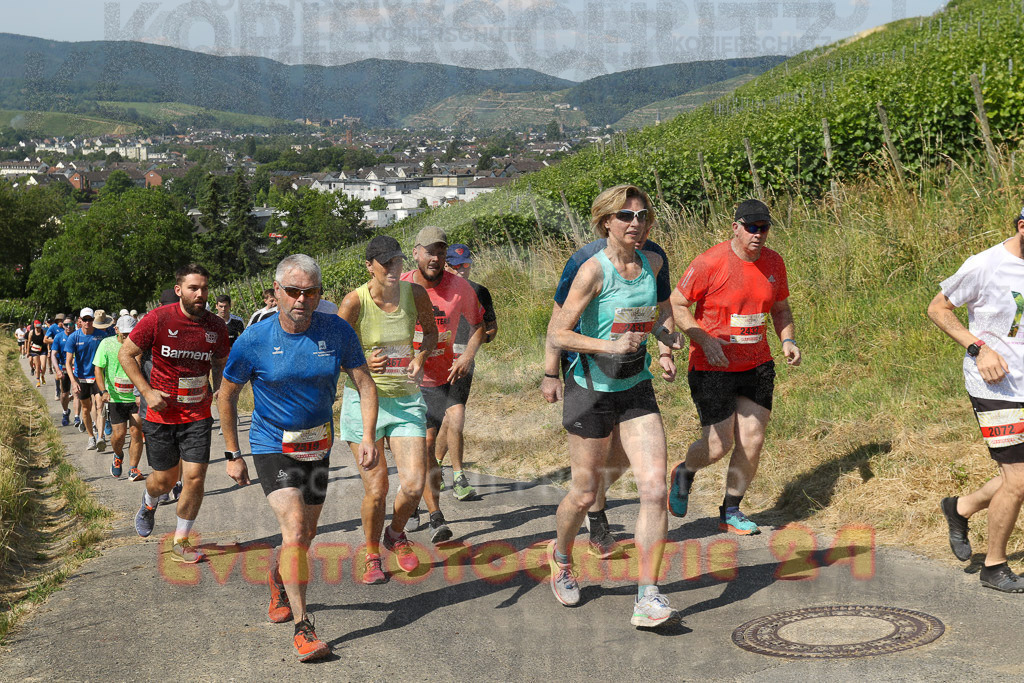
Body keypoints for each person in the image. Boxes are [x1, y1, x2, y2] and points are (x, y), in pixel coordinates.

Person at [219, 254, 379, 661]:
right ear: (275, 293)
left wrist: (369, 437)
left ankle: (276, 578)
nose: (301, 299)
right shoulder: (253, 340)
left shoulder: (337, 331)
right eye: (292, 291)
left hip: (316, 446)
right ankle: (304, 627)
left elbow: (365, 383)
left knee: (305, 537)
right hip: (272, 443)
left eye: (310, 292)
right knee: (292, 529)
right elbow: (227, 395)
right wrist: (233, 452)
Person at [548, 184, 683, 627]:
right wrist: (607, 343)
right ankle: (561, 555)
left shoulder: (654, 262)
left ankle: (648, 595)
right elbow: (559, 334)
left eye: (643, 215)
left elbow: (661, 312)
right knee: (586, 493)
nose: (636, 223)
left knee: (655, 489)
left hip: (635, 387)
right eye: (626, 216)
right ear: (606, 221)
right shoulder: (593, 271)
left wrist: (666, 341)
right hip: (590, 390)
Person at [668, 199, 801, 535]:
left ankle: (731, 510)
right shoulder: (710, 262)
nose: (758, 234)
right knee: (717, 445)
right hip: (712, 364)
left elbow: (781, 309)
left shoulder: (774, 263)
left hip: (756, 364)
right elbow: (678, 303)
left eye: (764, 228)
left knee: (752, 441)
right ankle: (684, 471)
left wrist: (788, 341)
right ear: (736, 227)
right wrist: (704, 338)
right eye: (751, 227)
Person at [931, 207, 1024, 592]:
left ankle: (961, 507)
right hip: (996, 387)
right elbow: (938, 308)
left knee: (1016, 477)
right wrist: (978, 349)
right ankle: (993, 565)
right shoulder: (985, 265)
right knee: (1018, 481)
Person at [339, 236, 438, 583]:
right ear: (369, 266)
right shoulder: (354, 302)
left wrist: (421, 357)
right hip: (364, 402)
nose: (393, 269)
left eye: (397, 261)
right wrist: (362, 361)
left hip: (406, 399)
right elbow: (333, 351)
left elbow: (431, 334)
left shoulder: (416, 294)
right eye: (385, 263)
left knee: (413, 484)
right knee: (378, 488)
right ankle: (370, 554)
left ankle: (395, 534)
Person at [119, 264, 230, 564]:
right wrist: (147, 392)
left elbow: (221, 361)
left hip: (197, 413)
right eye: (194, 288)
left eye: (204, 288)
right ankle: (149, 501)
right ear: (179, 290)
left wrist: (219, 388)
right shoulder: (159, 318)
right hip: (162, 415)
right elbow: (125, 354)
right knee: (165, 480)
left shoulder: (216, 326)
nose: (201, 294)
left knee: (194, 477)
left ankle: (182, 540)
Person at [401, 226, 486, 544]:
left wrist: (467, 357)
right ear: (416, 253)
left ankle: (415, 502)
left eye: (440, 251)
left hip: (444, 376)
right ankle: (435, 515)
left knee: (426, 450)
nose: (435, 257)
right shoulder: (400, 286)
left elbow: (478, 326)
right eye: (429, 251)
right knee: (422, 448)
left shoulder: (460, 287)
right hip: (409, 381)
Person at [433, 244, 498, 501]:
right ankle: (435, 467)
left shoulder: (480, 292)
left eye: (466, 266)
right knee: (441, 421)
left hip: (464, 363)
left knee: (455, 416)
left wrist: (476, 344)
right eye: (456, 266)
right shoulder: (433, 291)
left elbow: (491, 328)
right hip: (435, 364)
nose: (462, 271)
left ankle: (457, 476)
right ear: (446, 266)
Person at [94, 314, 146, 481]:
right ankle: (118, 456)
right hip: (115, 398)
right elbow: (98, 369)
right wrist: (103, 391)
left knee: (136, 431)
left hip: (135, 397)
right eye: (124, 334)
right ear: (116, 330)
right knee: (119, 435)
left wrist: (142, 391)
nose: (126, 337)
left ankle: (133, 468)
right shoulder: (106, 344)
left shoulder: (140, 345)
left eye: (130, 333)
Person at [65, 308, 108, 451]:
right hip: (82, 378)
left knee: (100, 405)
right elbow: (68, 362)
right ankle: (91, 437)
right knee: (85, 408)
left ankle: (101, 437)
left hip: (98, 376)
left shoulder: (102, 335)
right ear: (80, 321)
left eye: (90, 319)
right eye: (85, 320)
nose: (88, 322)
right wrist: (73, 381)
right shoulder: (74, 337)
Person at [51, 317, 75, 426]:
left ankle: (78, 417)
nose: (68, 327)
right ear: (62, 325)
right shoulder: (59, 337)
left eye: (70, 324)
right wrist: (57, 369)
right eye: (66, 325)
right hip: (64, 368)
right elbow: (53, 354)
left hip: (77, 368)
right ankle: (65, 412)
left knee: (78, 393)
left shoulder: (78, 335)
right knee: (64, 394)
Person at [27, 320, 47, 387]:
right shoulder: (31, 332)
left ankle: (42, 376)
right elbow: (29, 342)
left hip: (43, 349)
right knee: (37, 366)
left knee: (43, 365)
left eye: (39, 327)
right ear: (35, 326)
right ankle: (38, 380)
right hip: (34, 350)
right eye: (37, 327)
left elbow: (46, 340)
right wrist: (27, 352)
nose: (38, 329)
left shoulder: (43, 331)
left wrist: (49, 350)